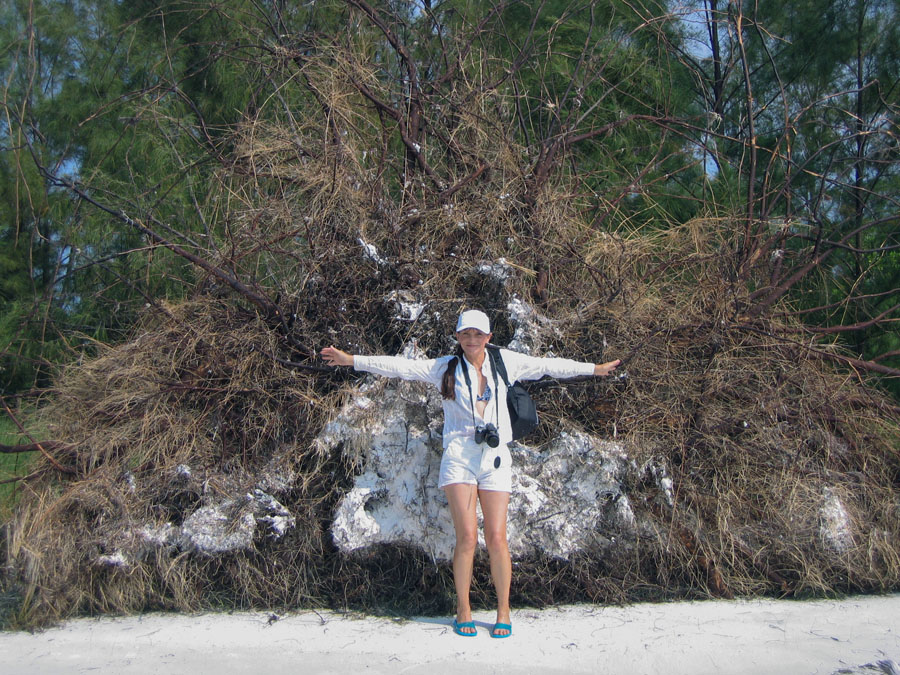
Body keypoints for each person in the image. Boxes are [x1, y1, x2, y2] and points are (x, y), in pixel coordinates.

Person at [320, 309, 620, 639]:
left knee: (496, 537)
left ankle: (503, 610)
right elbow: (400, 367)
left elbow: (549, 365)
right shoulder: (446, 367)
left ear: (489, 337)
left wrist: (595, 369)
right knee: (466, 538)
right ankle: (463, 608)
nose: (472, 340)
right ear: (459, 337)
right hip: (460, 457)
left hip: (494, 457)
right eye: (466, 334)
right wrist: (351, 360)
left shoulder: (506, 362)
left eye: (478, 334)